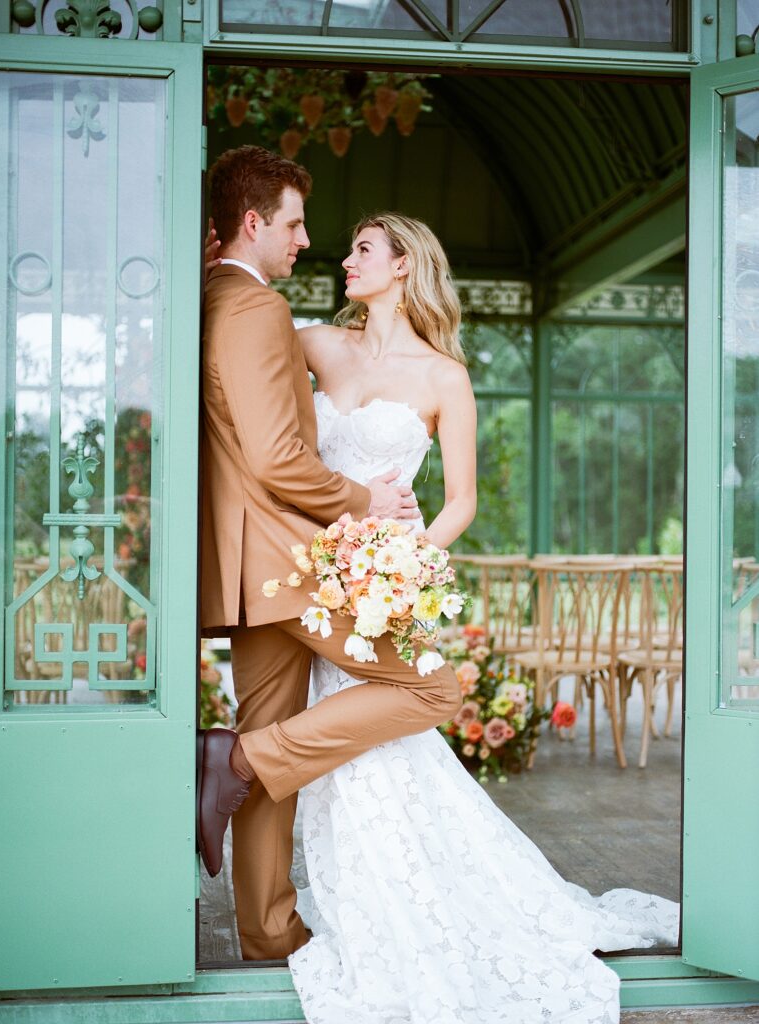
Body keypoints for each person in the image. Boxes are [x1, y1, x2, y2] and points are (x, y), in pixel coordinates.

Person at [206, 198, 679, 1022]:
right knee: (291, 728)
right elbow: (258, 417)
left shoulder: (443, 377)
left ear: (402, 267)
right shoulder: (311, 340)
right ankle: (264, 932)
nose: (343, 259)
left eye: (361, 248)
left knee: (411, 709)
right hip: (297, 569)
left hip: (380, 577)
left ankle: (240, 763)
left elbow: (456, 502)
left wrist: (407, 558)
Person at [198, 146, 463, 963]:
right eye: (297, 223)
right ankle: (232, 757)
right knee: (432, 685)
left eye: (354, 245)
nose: (311, 242)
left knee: (268, 741)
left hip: (258, 567)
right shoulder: (260, 312)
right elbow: (279, 458)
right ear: (253, 224)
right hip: (296, 562)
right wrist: (368, 503)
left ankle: (269, 935)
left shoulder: (211, 297)